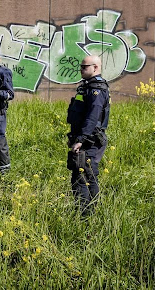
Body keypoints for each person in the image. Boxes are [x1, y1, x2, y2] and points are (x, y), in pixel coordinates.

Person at [66, 55, 110, 216]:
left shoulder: (97, 89)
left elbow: (92, 117)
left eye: (85, 67)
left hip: (89, 141)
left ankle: (85, 216)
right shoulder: (87, 87)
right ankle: (86, 214)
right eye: (81, 66)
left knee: (83, 177)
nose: (81, 69)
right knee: (81, 175)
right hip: (82, 138)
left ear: (95, 67)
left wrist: (81, 139)